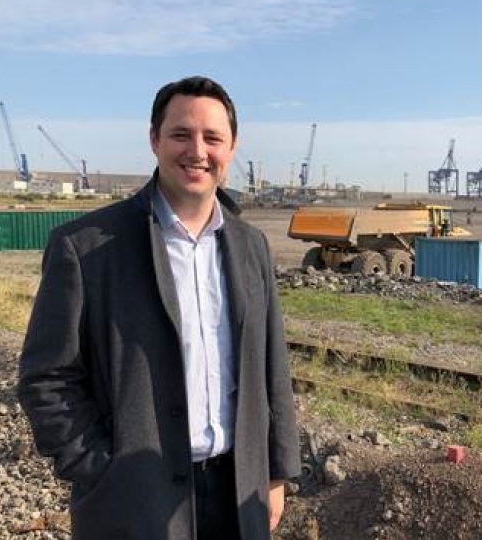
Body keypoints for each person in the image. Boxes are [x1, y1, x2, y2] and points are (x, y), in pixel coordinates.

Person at [18, 76, 301, 540]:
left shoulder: (251, 245)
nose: (197, 150)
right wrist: (97, 466)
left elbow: (273, 367)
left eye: (213, 138)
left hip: (238, 492)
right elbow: (45, 376)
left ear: (231, 148)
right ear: (154, 140)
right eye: (180, 135)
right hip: (135, 496)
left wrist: (276, 472)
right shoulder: (85, 248)